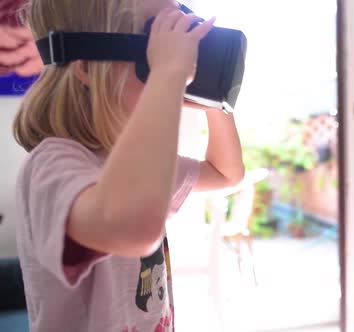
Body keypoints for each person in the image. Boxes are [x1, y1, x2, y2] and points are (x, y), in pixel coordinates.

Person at [12, 1, 244, 331]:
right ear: (87, 68)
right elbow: (134, 227)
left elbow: (226, 173)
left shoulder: (121, 161)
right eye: (158, 43)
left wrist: (209, 91)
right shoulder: (52, 166)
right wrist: (169, 74)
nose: (178, 53)